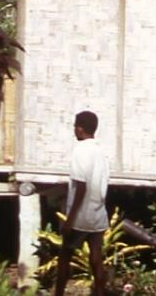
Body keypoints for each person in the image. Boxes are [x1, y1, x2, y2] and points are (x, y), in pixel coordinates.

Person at [56, 110, 111, 296]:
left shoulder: (80, 150)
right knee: (96, 257)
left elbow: (81, 186)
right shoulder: (100, 151)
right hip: (98, 213)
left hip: (81, 216)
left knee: (65, 255)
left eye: (75, 125)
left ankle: (58, 293)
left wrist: (70, 220)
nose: (74, 129)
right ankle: (101, 292)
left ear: (80, 129)